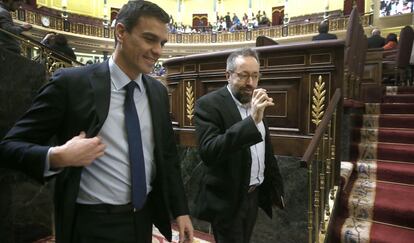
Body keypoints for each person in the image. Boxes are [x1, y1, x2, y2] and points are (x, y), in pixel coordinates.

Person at [0, 1, 193, 243]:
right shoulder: (71, 84)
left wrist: (180, 210)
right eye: (149, 39)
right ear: (121, 32)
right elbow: (9, 146)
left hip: (143, 220)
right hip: (92, 224)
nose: (158, 50)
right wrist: (57, 156)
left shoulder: (157, 91)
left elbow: (167, 156)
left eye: (162, 43)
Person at [194, 48, 285, 243]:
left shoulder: (256, 100)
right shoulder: (208, 105)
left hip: (253, 195)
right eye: (243, 76)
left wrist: (276, 187)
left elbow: (265, 150)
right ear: (228, 75)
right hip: (227, 201)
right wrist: (251, 121)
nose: (250, 83)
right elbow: (209, 151)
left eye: (255, 76)